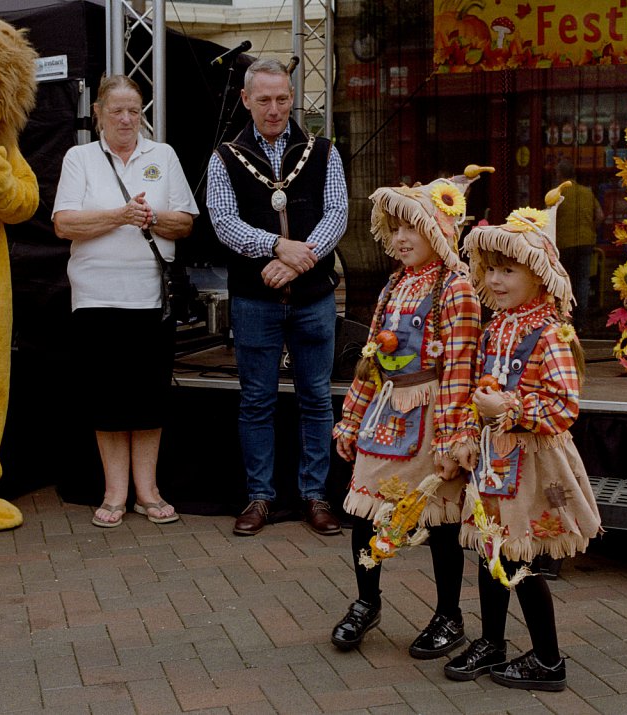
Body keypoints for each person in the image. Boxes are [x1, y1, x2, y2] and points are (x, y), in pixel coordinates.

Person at [443, 184, 601, 691]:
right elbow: (476, 390)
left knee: (522, 556)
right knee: (492, 550)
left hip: (532, 462)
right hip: (493, 460)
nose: (494, 279)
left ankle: (550, 660)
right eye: (489, 269)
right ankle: (492, 641)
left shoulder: (553, 333)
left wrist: (508, 410)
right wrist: (468, 433)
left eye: (508, 270)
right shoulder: (496, 329)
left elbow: (563, 407)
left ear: (540, 274)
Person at [329, 170, 487, 654]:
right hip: (385, 413)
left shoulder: (456, 288)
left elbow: (461, 368)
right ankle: (366, 601)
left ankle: (449, 615)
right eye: (393, 229)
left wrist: (453, 440)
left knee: (438, 521)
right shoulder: (394, 285)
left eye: (410, 228)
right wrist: (352, 416)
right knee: (364, 511)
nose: (399, 239)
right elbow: (371, 359)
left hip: (433, 419)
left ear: (440, 228)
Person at [206, 57, 349, 537]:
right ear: (245, 100)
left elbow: (337, 214)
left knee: (316, 400)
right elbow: (223, 222)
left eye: (283, 98)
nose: (274, 108)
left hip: (314, 298)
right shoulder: (224, 156)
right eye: (264, 99)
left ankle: (316, 496)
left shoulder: (324, 151)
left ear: (293, 98)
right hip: (254, 300)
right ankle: (260, 497)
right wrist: (273, 246)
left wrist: (293, 259)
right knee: (257, 402)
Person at [53, 74, 198, 528]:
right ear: (97, 113)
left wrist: (151, 216)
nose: (125, 119)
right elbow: (64, 224)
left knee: (149, 395)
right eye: (115, 110)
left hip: (152, 297)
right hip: (95, 296)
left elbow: (186, 223)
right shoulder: (79, 157)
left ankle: (148, 492)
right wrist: (120, 215)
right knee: (107, 397)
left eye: (133, 110)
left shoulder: (164, 155)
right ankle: (114, 492)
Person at [553, 161, 602, 329]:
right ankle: (582, 322)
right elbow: (600, 215)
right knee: (582, 281)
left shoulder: (557, 194)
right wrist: (590, 229)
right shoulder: (587, 193)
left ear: (559, 175)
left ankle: (565, 319)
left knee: (563, 281)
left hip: (564, 244)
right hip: (586, 242)